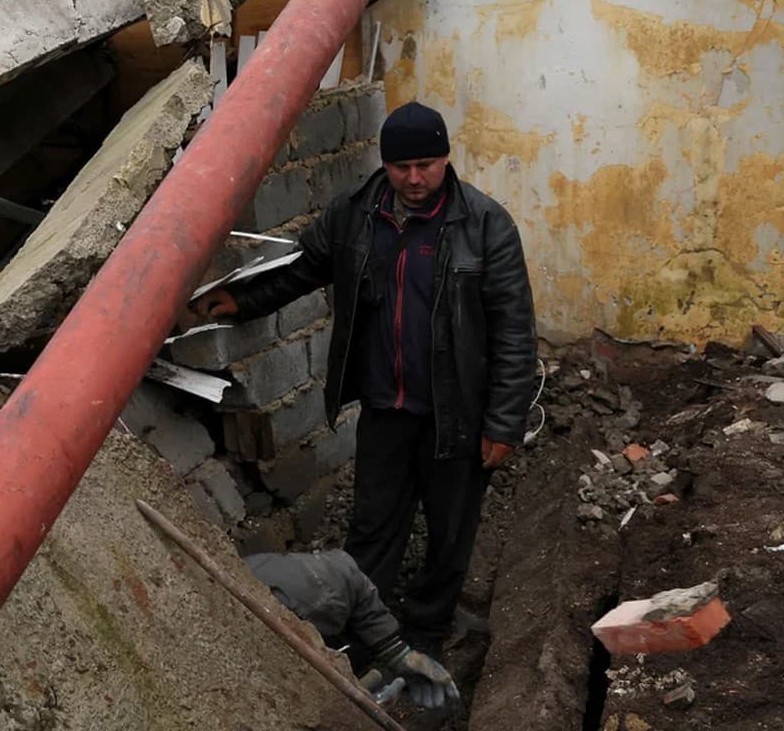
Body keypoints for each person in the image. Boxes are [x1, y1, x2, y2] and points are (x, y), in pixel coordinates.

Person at [196, 102, 536, 654]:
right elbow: (304, 268)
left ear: (447, 159)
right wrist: (241, 300)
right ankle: (363, 632)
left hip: (458, 413)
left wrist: (503, 423)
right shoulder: (356, 213)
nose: (415, 178)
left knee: (450, 532)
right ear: (386, 164)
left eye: (427, 164)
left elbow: (514, 329)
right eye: (403, 167)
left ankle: (427, 632)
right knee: (374, 526)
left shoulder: (486, 225)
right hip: (386, 407)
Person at [247, 549, 461, 709]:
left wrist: (398, 654)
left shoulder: (305, 588)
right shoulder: (244, 675)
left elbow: (347, 579)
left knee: (351, 651)